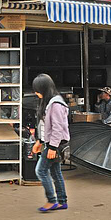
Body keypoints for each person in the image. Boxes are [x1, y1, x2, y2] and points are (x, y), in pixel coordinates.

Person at [31, 74, 70, 212]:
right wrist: (39, 141)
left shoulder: (56, 104)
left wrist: (52, 147)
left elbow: (57, 128)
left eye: (37, 90)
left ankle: (52, 200)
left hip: (57, 144)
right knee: (55, 172)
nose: (36, 93)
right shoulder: (49, 102)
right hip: (53, 143)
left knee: (40, 170)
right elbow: (44, 126)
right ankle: (62, 201)